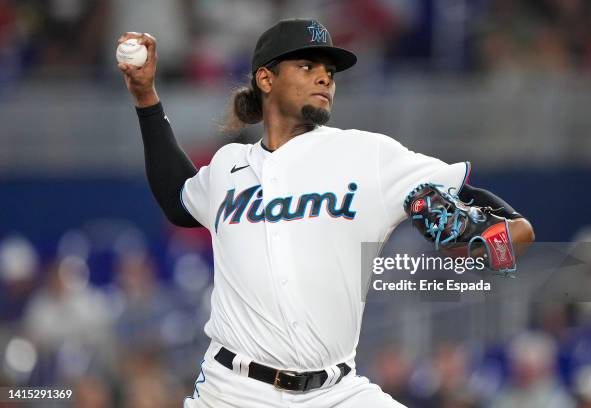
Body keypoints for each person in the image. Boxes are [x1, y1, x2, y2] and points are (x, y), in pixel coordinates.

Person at [117, 19, 535, 408]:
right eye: (307, 65)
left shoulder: (366, 153)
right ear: (265, 78)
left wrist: (494, 245)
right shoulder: (229, 166)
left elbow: (506, 224)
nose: (324, 77)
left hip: (336, 393)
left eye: (329, 71)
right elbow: (177, 200)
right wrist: (146, 98)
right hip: (232, 391)